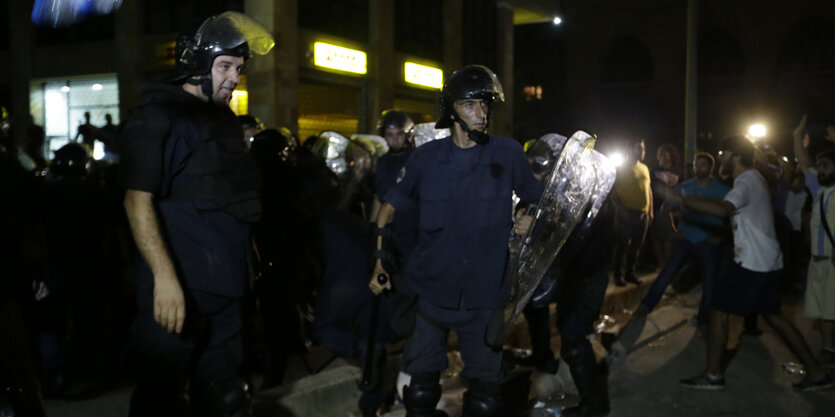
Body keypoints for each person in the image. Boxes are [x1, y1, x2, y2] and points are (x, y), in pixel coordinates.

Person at [118, 11, 274, 417]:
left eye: (238, 68)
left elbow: (233, 197)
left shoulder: (222, 120)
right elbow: (137, 200)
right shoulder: (159, 116)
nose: (234, 78)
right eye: (224, 66)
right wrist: (164, 280)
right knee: (162, 399)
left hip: (227, 287)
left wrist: (249, 258)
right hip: (179, 289)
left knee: (226, 397)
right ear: (195, 64)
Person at [369, 65, 543, 416]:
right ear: (451, 111)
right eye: (471, 105)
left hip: (484, 295)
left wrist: (530, 217)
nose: (482, 114)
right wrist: (379, 263)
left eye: (486, 105)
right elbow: (387, 212)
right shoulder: (425, 159)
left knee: (484, 399)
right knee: (418, 394)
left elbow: (538, 200)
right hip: (432, 292)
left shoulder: (507, 153)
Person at [668, 136, 834, 391]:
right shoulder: (753, 179)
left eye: (724, 153)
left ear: (735, 156)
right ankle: (816, 374)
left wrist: (682, 199)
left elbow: (724, 209)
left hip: (753, 263)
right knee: (774, 317)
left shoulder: (746, 181)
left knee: (718, 310)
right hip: (766, 259)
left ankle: (712, 375)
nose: (720, 157)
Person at [636, 153, 730, 329]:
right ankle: (646, 305)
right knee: (667, 273)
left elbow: (731, 216)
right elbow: (667, 208)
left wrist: (721, 235)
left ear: (711, 168)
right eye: (696, 165)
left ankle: (703, 320)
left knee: (709, 283)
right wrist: (673, 229)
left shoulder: (722, 190)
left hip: (709, 241)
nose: (698, 168)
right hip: (687, 238)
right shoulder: (685, 187)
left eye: (703, 165)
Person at [806, 146, 835, 371]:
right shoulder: (821, 192)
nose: (820, 170)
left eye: (826, 166)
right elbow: (806, 168)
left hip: (832, 262)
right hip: (819, 259)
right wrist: (796, 136)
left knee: (829, 310)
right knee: (825, 310)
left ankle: (828, 351)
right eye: (819, 166)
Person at [611, 138, 652, 286]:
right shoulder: (622, 168)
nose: (641, 152)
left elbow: (648, 189)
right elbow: (613, 190)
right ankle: (617, 275)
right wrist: (620, 208)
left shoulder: (645, 168)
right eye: (638, 148)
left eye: (642, 148)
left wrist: (650, 210)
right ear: (629, 150)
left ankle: (630, 273)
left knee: (636, 245)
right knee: (622, 245)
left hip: (643, 214)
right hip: (627, 212)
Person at [650, 144, 681, 266]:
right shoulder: (653, 170)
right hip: (657, 206)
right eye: (662, 154)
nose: (664, 157)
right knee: (657, 236)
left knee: (669, 236)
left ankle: (668, 262)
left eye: (667, 154)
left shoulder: (677, 171)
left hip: (672, 207)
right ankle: (660, 262)